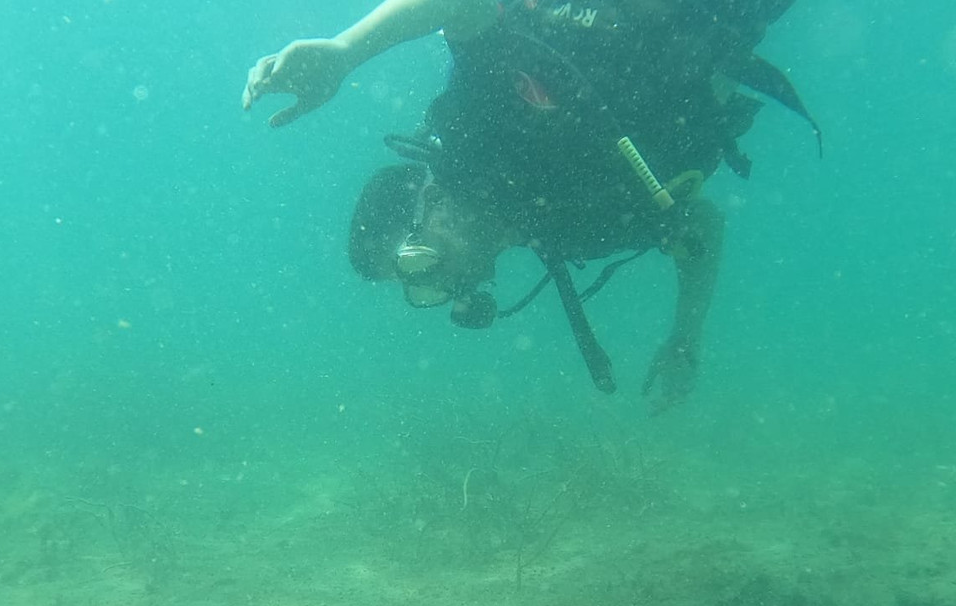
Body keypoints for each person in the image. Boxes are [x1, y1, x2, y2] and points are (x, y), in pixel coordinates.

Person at [242, 0, 819, 412]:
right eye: (424, 291)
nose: (446, 288)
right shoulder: (568, 233)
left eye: (420, 264)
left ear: (430, 199)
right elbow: (700, 224)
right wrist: (686, 337)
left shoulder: (477, 128)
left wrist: (345, 52)